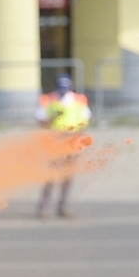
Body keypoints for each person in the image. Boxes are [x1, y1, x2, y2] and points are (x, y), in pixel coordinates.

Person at [35, 74, 91, 218]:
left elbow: (85, 120)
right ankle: (44, 207)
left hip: (72, 140)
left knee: (67, 175)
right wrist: (53, 117)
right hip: (55, 140)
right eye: (61, 89)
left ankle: (62, 207)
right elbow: (42, 123)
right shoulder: (48, 100)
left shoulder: (79, 100)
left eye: (65, 89)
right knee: (52, 174)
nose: (63, 92)